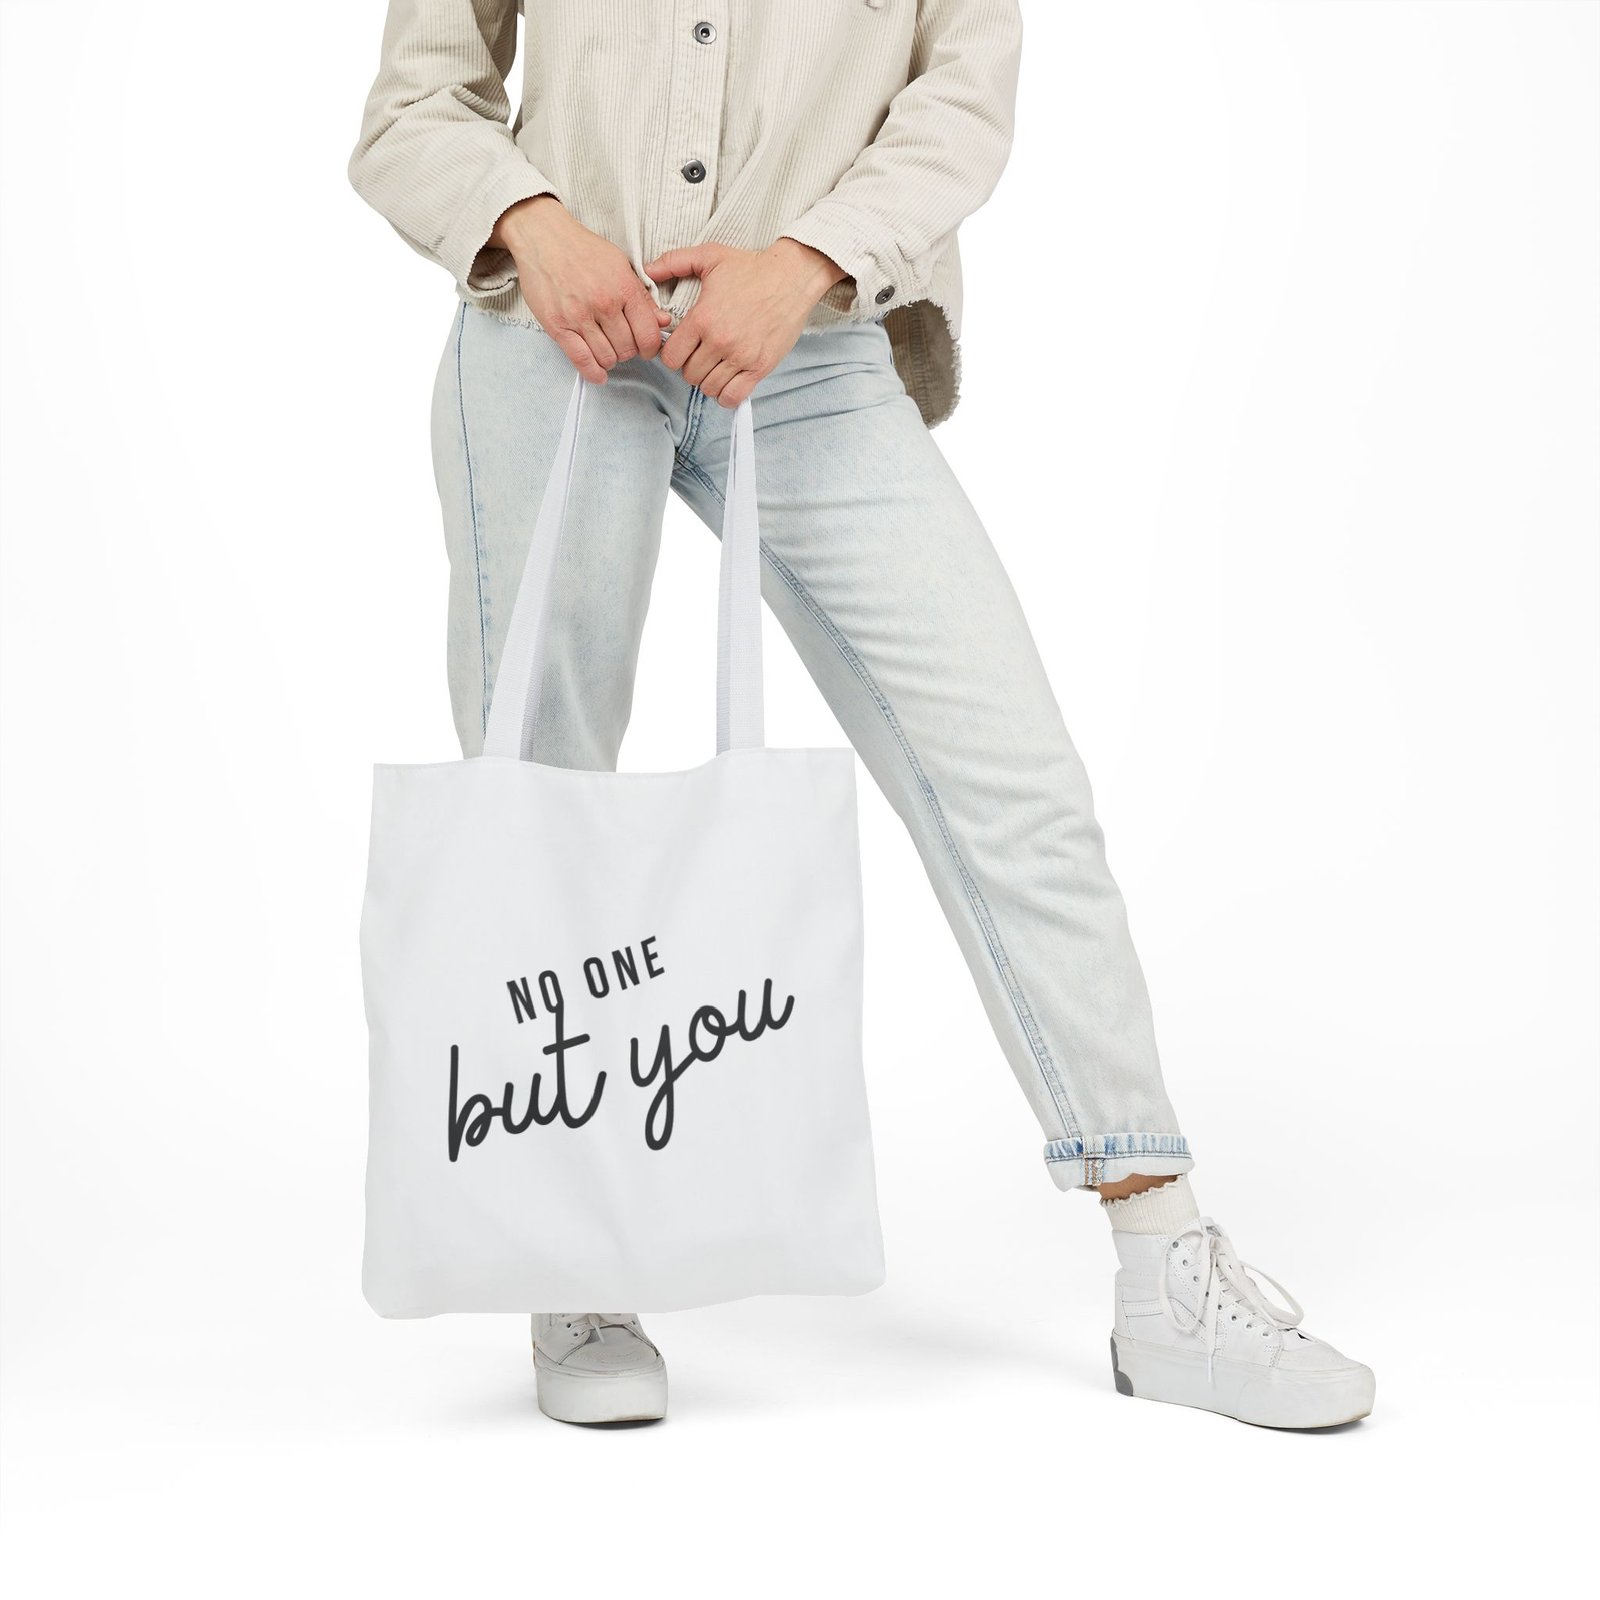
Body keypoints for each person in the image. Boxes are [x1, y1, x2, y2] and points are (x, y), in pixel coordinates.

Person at [350, 0, 1374, 1430]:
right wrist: (534, 224)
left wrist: (810, 261)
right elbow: (415, 102)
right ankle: (568, 1252)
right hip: (556, 338)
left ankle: (1165, 1265)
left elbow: (963, 94)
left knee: (1010, 774)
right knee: (544, 791)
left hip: (812, 353)